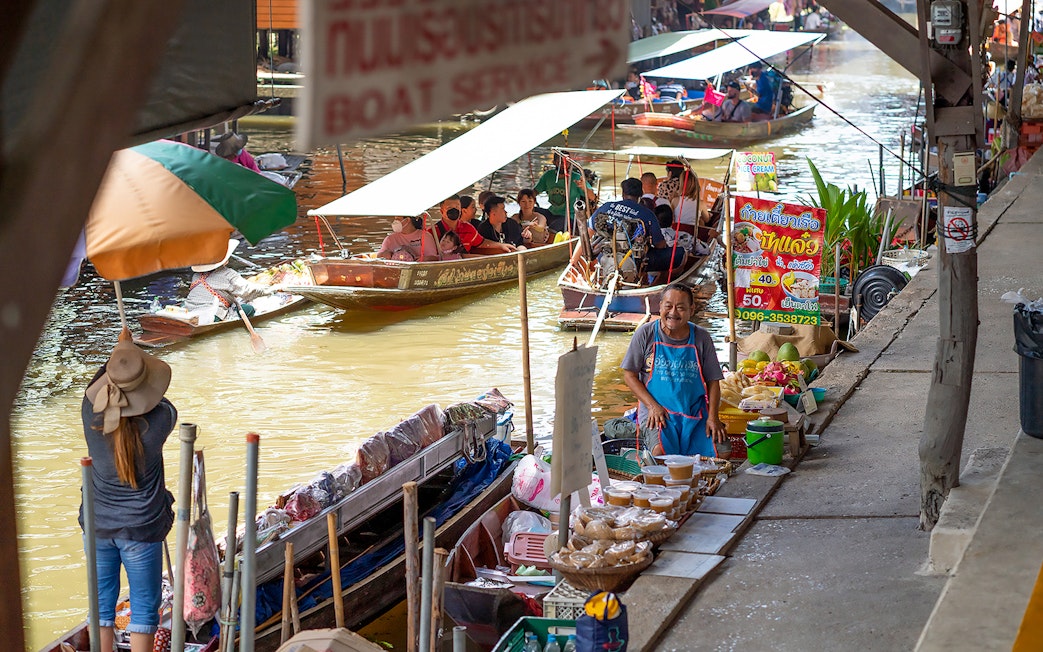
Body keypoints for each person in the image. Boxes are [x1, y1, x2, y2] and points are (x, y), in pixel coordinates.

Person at [81, 330, 176, 652]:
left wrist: (121, 349)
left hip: (97, 526)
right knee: (144, 609)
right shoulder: (161, 420)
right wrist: (132, 351)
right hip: (141, 528)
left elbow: (97, 384)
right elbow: (159, 396)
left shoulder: (88, 413)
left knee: (102, 606)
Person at [621, 284, 726, 456]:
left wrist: (713, 417)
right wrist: (652, 406)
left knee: (722, 452)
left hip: (694, 412)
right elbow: (629, 375)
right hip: (659, 413)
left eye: (681, 308)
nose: (673, 313)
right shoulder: (645, 334)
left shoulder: (701, 337)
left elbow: (713, 381)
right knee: (660, 454)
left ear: (691, 309)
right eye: (668, 306)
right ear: (660, 306)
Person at [588, 177, 678, 274]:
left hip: (605, 258)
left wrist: (574, 262)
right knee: (680, 253)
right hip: (636, 261)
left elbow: (588, 233)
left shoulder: (606, 207)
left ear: (623, 194)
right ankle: (659, 280)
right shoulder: (648, 214)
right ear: (641, 195)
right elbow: (659, 245)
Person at [183, 239, 272, 321]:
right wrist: (271, 289)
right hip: (211, 316)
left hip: (189, 312)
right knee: (249, 309)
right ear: (225, 261)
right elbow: (249, 291)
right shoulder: (227, 274)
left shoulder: (196, 275)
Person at [533, 151, 595, 233]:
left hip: (569, 216)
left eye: (567, 162)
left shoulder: (576, 177)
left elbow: (593, 197)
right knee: (529, 212)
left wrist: (584, 187)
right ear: (554, 162)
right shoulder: (548, 175)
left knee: (553, 228)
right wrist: (525, 200)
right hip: (551, 212)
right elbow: (534, 192)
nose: (564, 165)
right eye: (560, 162)